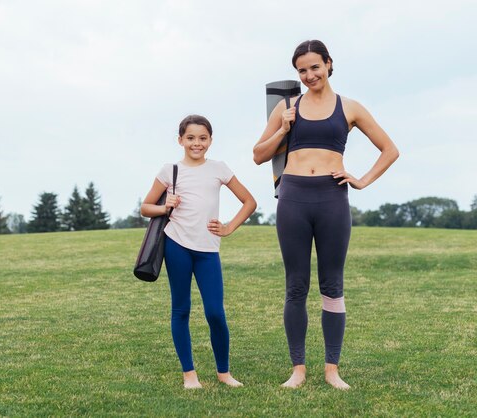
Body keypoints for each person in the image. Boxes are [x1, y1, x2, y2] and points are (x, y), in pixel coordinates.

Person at [253, 40, 399, 390]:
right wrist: (282, 129)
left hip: (332, 198)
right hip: (293, 197)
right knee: (296, 285)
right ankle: (298, 369)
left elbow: (390, 149)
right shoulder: (286, 107)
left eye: (314, 67)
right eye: (301, 70)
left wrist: (362, 180)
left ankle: (332, 369)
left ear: (329, 64)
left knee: (332, 285)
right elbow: (258, 155)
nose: (309, 75)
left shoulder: (350, 108)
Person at [141, 114, 257, 389]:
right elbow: (146, 207)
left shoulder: (219, 168)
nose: (197, 143)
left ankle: (223, 373)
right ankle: (189, 375)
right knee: (181, 309)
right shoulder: (169, 171)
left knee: (215, 312)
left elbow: (249, 202)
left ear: (210, 140)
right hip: (176, 245)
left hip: (208, 250)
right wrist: (165, 206)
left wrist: (228, 228)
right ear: (180, 140)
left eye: (202, 138)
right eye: (190, 138)